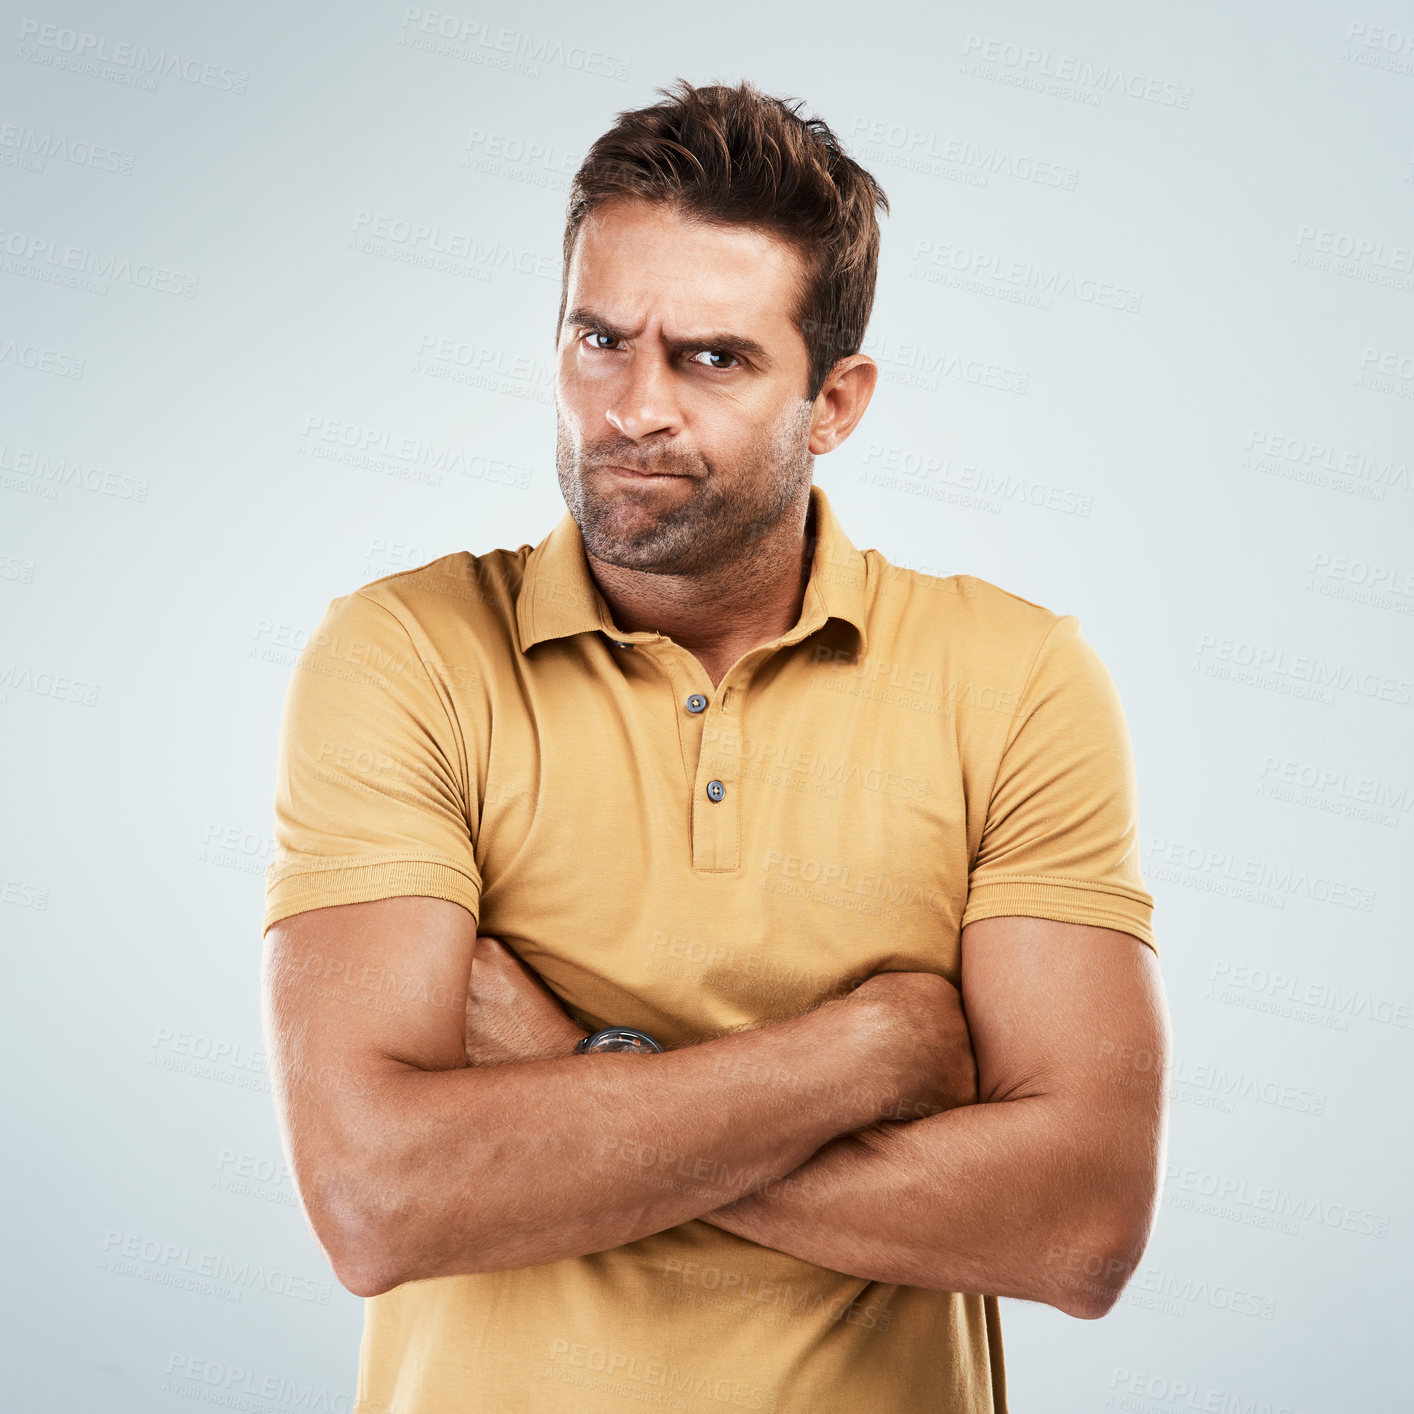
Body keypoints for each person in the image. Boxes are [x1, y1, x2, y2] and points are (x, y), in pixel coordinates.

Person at [260, 77, 1170, 1414]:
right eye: (598, 340)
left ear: (835, 402)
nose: (634, 408)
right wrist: (864, 1053)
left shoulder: (1016, 678)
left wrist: (569, 1080)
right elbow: (375, 1200)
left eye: (711, 358)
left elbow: (1077, 1227)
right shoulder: (407, 653)